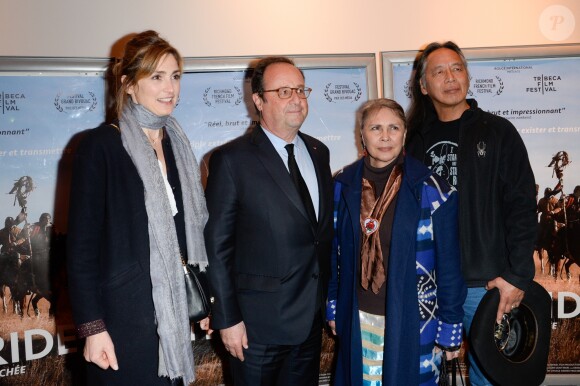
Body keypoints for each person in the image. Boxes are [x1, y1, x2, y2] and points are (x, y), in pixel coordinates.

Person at [67, 30, 209, 386]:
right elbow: (81, 250)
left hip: (170, 317)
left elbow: (186, 234)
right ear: (129, 84)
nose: (170, 88)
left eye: (175, 76)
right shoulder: (99, 146)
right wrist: (92, 327)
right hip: (120, 322)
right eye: (157, 76)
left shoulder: (177, 143)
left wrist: (203, 295)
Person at [406, 41, 537, 385]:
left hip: (488, 285)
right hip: (429, 288)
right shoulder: (413, 142)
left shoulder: (498, 132)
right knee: (428, 377)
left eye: (457, 68)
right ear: (423, 85)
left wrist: (518, 276)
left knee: (492, 378)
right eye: (439, 71)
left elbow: (522, 205)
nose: (450, 77)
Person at [204, 56, 333, 386]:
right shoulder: (231, 160)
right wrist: (227, 319)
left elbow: (319, 236)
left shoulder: (319, 152)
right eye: (284, 91)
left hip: (309, 321)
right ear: (258, 100)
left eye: (301, 90)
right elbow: (217, 247)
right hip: (255, 328)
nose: (297, 99)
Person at [327, 98, 466, 386]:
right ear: (361, 134)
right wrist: (333, 307)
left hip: (416, 321)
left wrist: (450, 326)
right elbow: (333, 256)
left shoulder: (433, 190)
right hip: (358, 317)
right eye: (376, 127)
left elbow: (450, 265)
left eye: (394, 127)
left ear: (404, 133)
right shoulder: (342, 186)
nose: (385, 136)